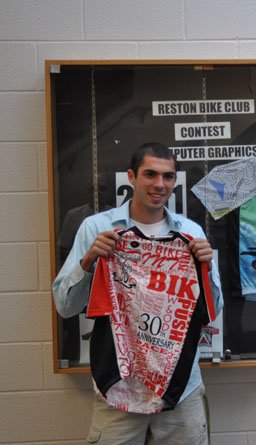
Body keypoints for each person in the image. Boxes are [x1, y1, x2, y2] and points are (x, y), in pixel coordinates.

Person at [52, 142, 223, 445]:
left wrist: (205, 269)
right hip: (119, 383)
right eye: (150, 174)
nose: (160, 184)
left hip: (180, 385)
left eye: (168, 176)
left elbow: (212, 310)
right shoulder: (97, 229)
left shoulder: (191, 233)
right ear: (131, 176)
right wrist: (88, 262)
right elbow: (65, 307)